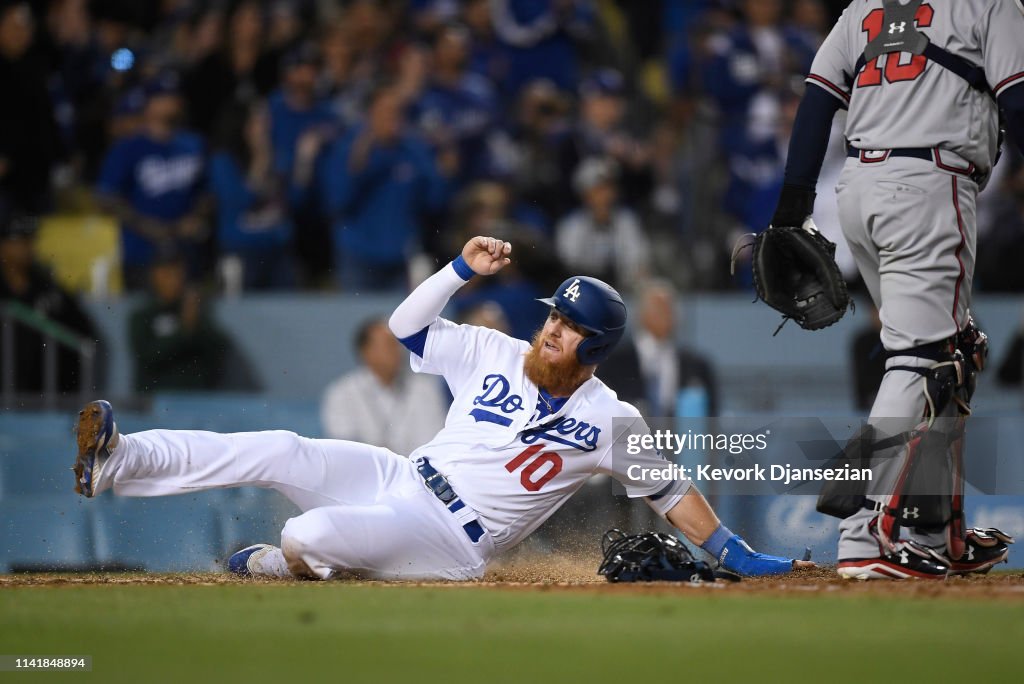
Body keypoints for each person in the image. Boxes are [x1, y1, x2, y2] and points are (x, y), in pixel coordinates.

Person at [72, 236, 811, 581]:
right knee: (279, 449)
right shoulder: (495, 350)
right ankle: (121, 458)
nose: (551, 327)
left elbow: (673, 492)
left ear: (593, 349)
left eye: (568, 327)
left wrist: (737, 555)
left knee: (307, 532)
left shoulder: (613, 419)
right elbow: (406, 329)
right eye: (554, 315)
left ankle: (273, 565)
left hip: (451, 542)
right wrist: (459, 269)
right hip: (400, 476)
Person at [772, 0, 1024, 579]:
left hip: (859, 190)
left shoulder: (866, 7)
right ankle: (862, 533)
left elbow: (817, 102)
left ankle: (938, 532)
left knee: (950, 355)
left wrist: (791, 205)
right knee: (924, 363)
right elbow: (1017, 100)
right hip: (930, 184)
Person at [0, 212, 99, 396]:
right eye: (18, 241)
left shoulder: (48, 287)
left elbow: (83, 332)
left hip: (44, 392)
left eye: (29, 240)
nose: (25, 247)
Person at [320, 317, 447, 455]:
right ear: (366, 352)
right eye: (389, 344)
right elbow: (344, 447)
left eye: (399, 345)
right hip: (365, 473)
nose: (398, 351)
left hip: (416, 471)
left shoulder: (425, 388)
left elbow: (435, 441)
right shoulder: (341, 393)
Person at [600, 281, 718, 418]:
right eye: (657, 307)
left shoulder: (697, 366)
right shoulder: (613, 360)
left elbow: (711, 418)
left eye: (669, 308)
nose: (664, 313)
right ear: (640, 313)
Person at [128, 245, 231, 393]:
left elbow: (218, 350)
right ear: (153, 276)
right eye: (166, 273)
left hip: (194, 401)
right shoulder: (143, 316)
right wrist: (185, 329)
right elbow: (148, 357)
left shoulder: (196, 312)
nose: (174, 279)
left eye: (178, 272)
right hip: (154, 403)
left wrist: (194, 320)